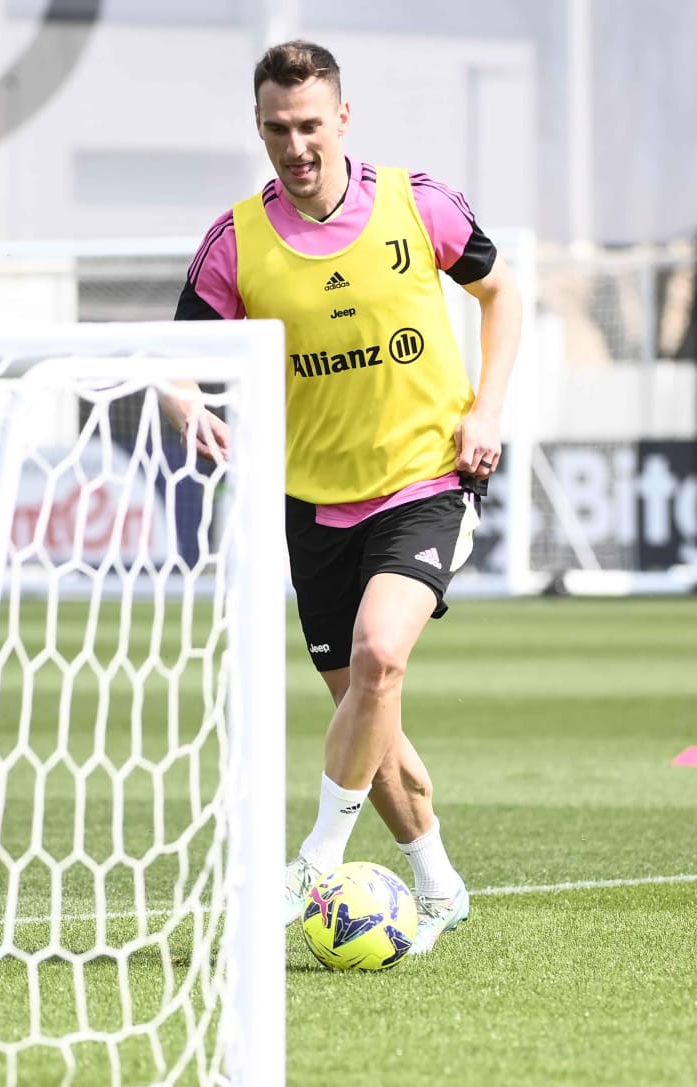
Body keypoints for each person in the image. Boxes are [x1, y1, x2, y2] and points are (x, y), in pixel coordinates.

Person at [164, 40, 521, 955]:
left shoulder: (416, 203)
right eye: (279, 129)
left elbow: (501, 291)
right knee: (371, 709)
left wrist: (487, 409)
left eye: (312, 125)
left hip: (428, 482)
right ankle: (438, 886)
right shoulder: (236, 242)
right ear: (260, 127)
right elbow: (174, 363)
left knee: (378, 655)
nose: (297, 146)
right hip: (313, 506)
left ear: (344, 119)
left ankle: (317, 860)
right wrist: (185, 406)